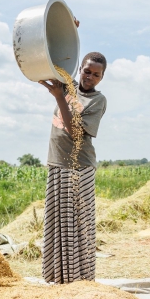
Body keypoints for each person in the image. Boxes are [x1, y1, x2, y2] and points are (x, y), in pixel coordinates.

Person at [38, 52, 107, 284]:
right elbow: (61, 55)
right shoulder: (68, 86)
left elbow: (76, 132)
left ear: (102, 77)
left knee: (78, 225)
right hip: (57, 163)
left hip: (79, 168)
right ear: (81, 70)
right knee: (57, 223)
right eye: (87, 71)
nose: (90, 77)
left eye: (96, 75)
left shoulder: (97, 100)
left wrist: (59, 98)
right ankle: (57, 277)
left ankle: (80, 280)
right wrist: (71, 27)